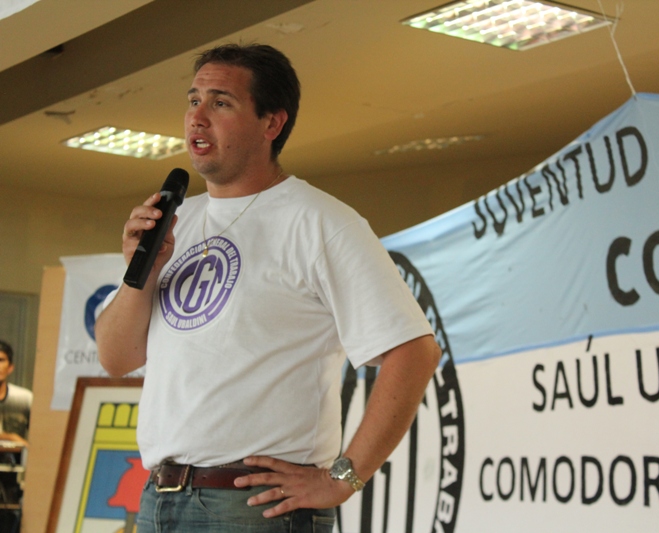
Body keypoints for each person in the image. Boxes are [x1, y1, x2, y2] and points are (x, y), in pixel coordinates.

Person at [95, 43, 441, 532]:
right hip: (160, 497)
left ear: (271, 123)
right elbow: (116, 357)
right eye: (193, 100)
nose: (197, 118)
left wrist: (343, 478)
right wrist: (143, 271)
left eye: (221, 103)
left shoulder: (321, 222)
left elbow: (415, 352)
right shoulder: (175, 222)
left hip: (254, 507)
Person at [0, 340, 32, 445]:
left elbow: (41, 435)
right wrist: (10, 438)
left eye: (1, 360)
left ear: (10, 368)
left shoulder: (24, 398)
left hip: (19, 454)